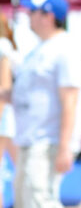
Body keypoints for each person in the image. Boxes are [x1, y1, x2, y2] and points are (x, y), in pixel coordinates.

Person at [7, 0, 81, 208]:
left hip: (46, 143)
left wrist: (64, 147)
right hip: (31, 141)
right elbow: (25, 93)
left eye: (32, 11)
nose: (27, 15)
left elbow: (70, 101)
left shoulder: (65, 49)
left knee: (40, 200)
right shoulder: (40, 49)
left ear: (49, 16)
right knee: (26, 200)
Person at [0, 12, 18, 208]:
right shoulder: (6, 46)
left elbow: (4, 87)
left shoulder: (2, 47)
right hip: (8, 116)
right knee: (19, 166)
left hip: (3, 116)